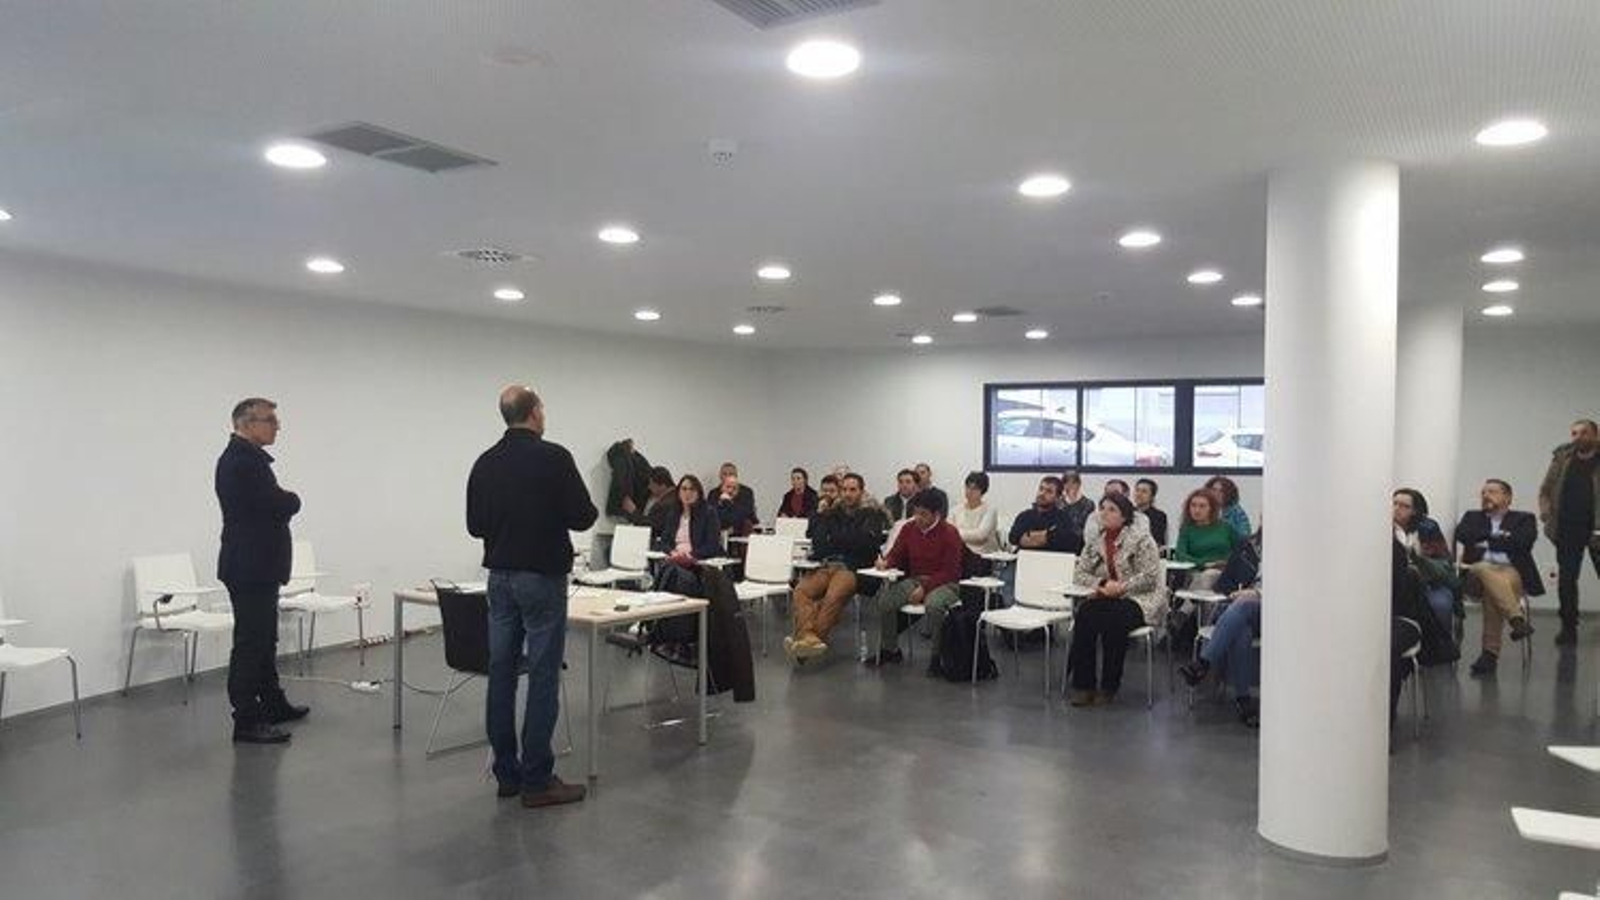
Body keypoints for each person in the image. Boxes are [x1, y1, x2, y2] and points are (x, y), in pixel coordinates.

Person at [467, 385, 598, 808]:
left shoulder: (485, 462)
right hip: (541, 577)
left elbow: (475, 525)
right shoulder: (554, 457)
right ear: (535, 414)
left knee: (501, 672)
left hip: (499, 577)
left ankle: (506, 775)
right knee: (543, 673)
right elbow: (583, 516)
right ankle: (537, 779)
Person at [216, 397, 305, 745]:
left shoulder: (248, 459)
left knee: (265, 639)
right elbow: (277, 504)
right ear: (247, 423)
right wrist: (291, 499)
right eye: (270, 420)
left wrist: (282, 500)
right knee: (252, 643)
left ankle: (272, 702)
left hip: (256, 565)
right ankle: (246, 719)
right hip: (249, 566)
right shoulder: (242, 462)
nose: (277, 426)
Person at [1066, 493, 1164, 706]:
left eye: (1112, 509)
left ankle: (1109, 686)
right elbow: (1079, 574)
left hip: (1139, 599)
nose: (1104, 513)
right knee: (1084, 614)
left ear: (1124, 516)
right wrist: (1102, 584)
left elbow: (1150, 577)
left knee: (1114, 620)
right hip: (1107, 595)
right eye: (1102, 508)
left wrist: (1121, 587)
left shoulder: (1142, 539)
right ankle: (1083, 685)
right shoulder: (1095, 541)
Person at [787, 473, 890, 663]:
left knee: (832, 596)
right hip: (829, 564)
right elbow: (819, 544)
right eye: (844, 490)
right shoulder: (832, 513)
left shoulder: (872, 514)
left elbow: (866, 545)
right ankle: (808, 638)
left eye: (853, 490)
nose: (848, 494)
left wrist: (837, 538)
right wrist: (820, 515)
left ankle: (804, 647)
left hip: (854, 569)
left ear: (861, 491)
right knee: (801, 590)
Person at [1454, 479, 1542, 676]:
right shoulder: (1472, 516)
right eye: (1483, 492)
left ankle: (1490, 654)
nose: (1486, 496)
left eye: (1492, 492)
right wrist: (1502, 536)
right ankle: (1516, 619)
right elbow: (1463, 534)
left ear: (1507, 497)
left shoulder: (1524, 519)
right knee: (1484, 568)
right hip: (1475, 574)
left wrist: (1484, 540)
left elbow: (1523, 542)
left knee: (1492, 592)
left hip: (1510, 572)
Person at [868, 490, 965, 666]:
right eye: (915, 513)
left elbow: (950, 571)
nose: (918, 518)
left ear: (936, 514)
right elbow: (896, 554)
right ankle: (890, 649)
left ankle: (938, 657)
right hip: (916, 579)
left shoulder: (950, 533)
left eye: (923, 514)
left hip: (946, 583)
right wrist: (886, 562)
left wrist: (925, 589)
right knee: (885, 602)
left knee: (934, 605)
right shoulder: (909, 528)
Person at [1538, 419, 1600, 646]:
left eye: (1584, 432)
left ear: (1595, 435)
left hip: (1597, 528)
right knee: (1566, 580)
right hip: (1567, 528)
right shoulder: (1562, 457)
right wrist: (1546, 513)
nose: (1578, 437)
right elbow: (1546, 489)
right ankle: (1568, 628)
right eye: (1574, 433)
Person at [1178, 583, 1262, 727]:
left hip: (1274, 608)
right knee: (1242, 633)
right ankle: (1243, 699)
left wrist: (1256, 593)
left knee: (1243, 605)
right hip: (1248, 608)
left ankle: (1203, 663)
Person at [1392, 488, 1458, 633]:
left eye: (1404, 506)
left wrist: (1418, 559)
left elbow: (1444, 564)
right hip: (1395, 583)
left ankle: (1440, 644)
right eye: (1394, 503)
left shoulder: (1427, 528)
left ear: (1415, 511)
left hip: (1427, 581)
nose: (1396, 509)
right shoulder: (1383, 528)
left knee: (1440, 605)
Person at [1009, 476, 1083, 554]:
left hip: (1052, 559)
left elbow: (1072, 543)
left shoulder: (1064, 518)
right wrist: (1048, 536)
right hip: (1025, 558)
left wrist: (1032, 536)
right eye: (1041, 489)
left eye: (1049, 491)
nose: (1042, 493)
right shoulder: (1024, 516)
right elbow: (1013, 538)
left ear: (1057, 497)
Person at [1173, 489, 1237, 569]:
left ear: (1211, 508)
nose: (1197, 510)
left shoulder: (1225, 527)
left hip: (1226, 569)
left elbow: (1241, 549)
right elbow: (1180, 555)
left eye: (1202, 506)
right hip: (1198, 570)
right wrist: (1203, 563)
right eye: (1193, 505)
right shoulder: (1186, 529)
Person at [953, 471, 1001, 555]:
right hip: (960, 553)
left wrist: (956, 533)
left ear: (982, 491)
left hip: (983, 555)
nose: (970, 491)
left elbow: (980, 535)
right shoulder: (955, 510)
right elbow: (948, 533)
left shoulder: (990, 510)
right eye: (968, 487)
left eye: (974, 489)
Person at [713, 462, 759, 536]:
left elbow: (745, 513)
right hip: (721, 531)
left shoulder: (746, 492)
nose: (728, 476)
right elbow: (713, 515)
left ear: (736, 476)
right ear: (720, 476)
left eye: (731, 474)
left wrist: (728, 501)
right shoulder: (713, 493)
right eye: (725, 474)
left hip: (742, 531)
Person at [1058, 470, 1096, 541]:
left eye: (1073, 483)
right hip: (1060, 540)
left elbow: (1082, 526)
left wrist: (1072, 501)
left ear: (1079, 484)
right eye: (1066, 483)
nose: (1069, 486)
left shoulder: (1088, 504)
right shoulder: (1058, 503)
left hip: (1081, 540)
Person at [1134, 478, 1169, 547]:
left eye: (1144, 491)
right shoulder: (1128, 513)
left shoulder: (1159, 516)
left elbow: (1158, 540)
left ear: (1152, 496)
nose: (1139, 494)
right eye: (1137, 490)